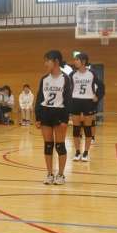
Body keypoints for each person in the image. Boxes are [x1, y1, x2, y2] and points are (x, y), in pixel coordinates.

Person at [35, 50, 72, 186]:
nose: (45, 64)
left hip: (59, 114)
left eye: (47, 61)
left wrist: (65, 119)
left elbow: (68, 100)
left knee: (60, 146)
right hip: (45, 113)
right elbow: (39, 98)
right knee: (48, 145)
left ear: (56, 61)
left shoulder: (65, 78)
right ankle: (49, 174)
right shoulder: (44, 79)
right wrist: (38, 117)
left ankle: (61, 175)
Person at [70, 52, 105, 162]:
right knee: (76, 129)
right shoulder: (72, 74)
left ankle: (85, 152)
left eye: (77, 59)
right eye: (75, 60)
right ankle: (77, 152)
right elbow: (67, 88)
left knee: (87, 128)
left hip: (88, 102)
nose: (75, 61)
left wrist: (97, 96)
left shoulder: (91, 73)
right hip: (75, 101)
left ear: (83, 61)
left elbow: (101, 86)